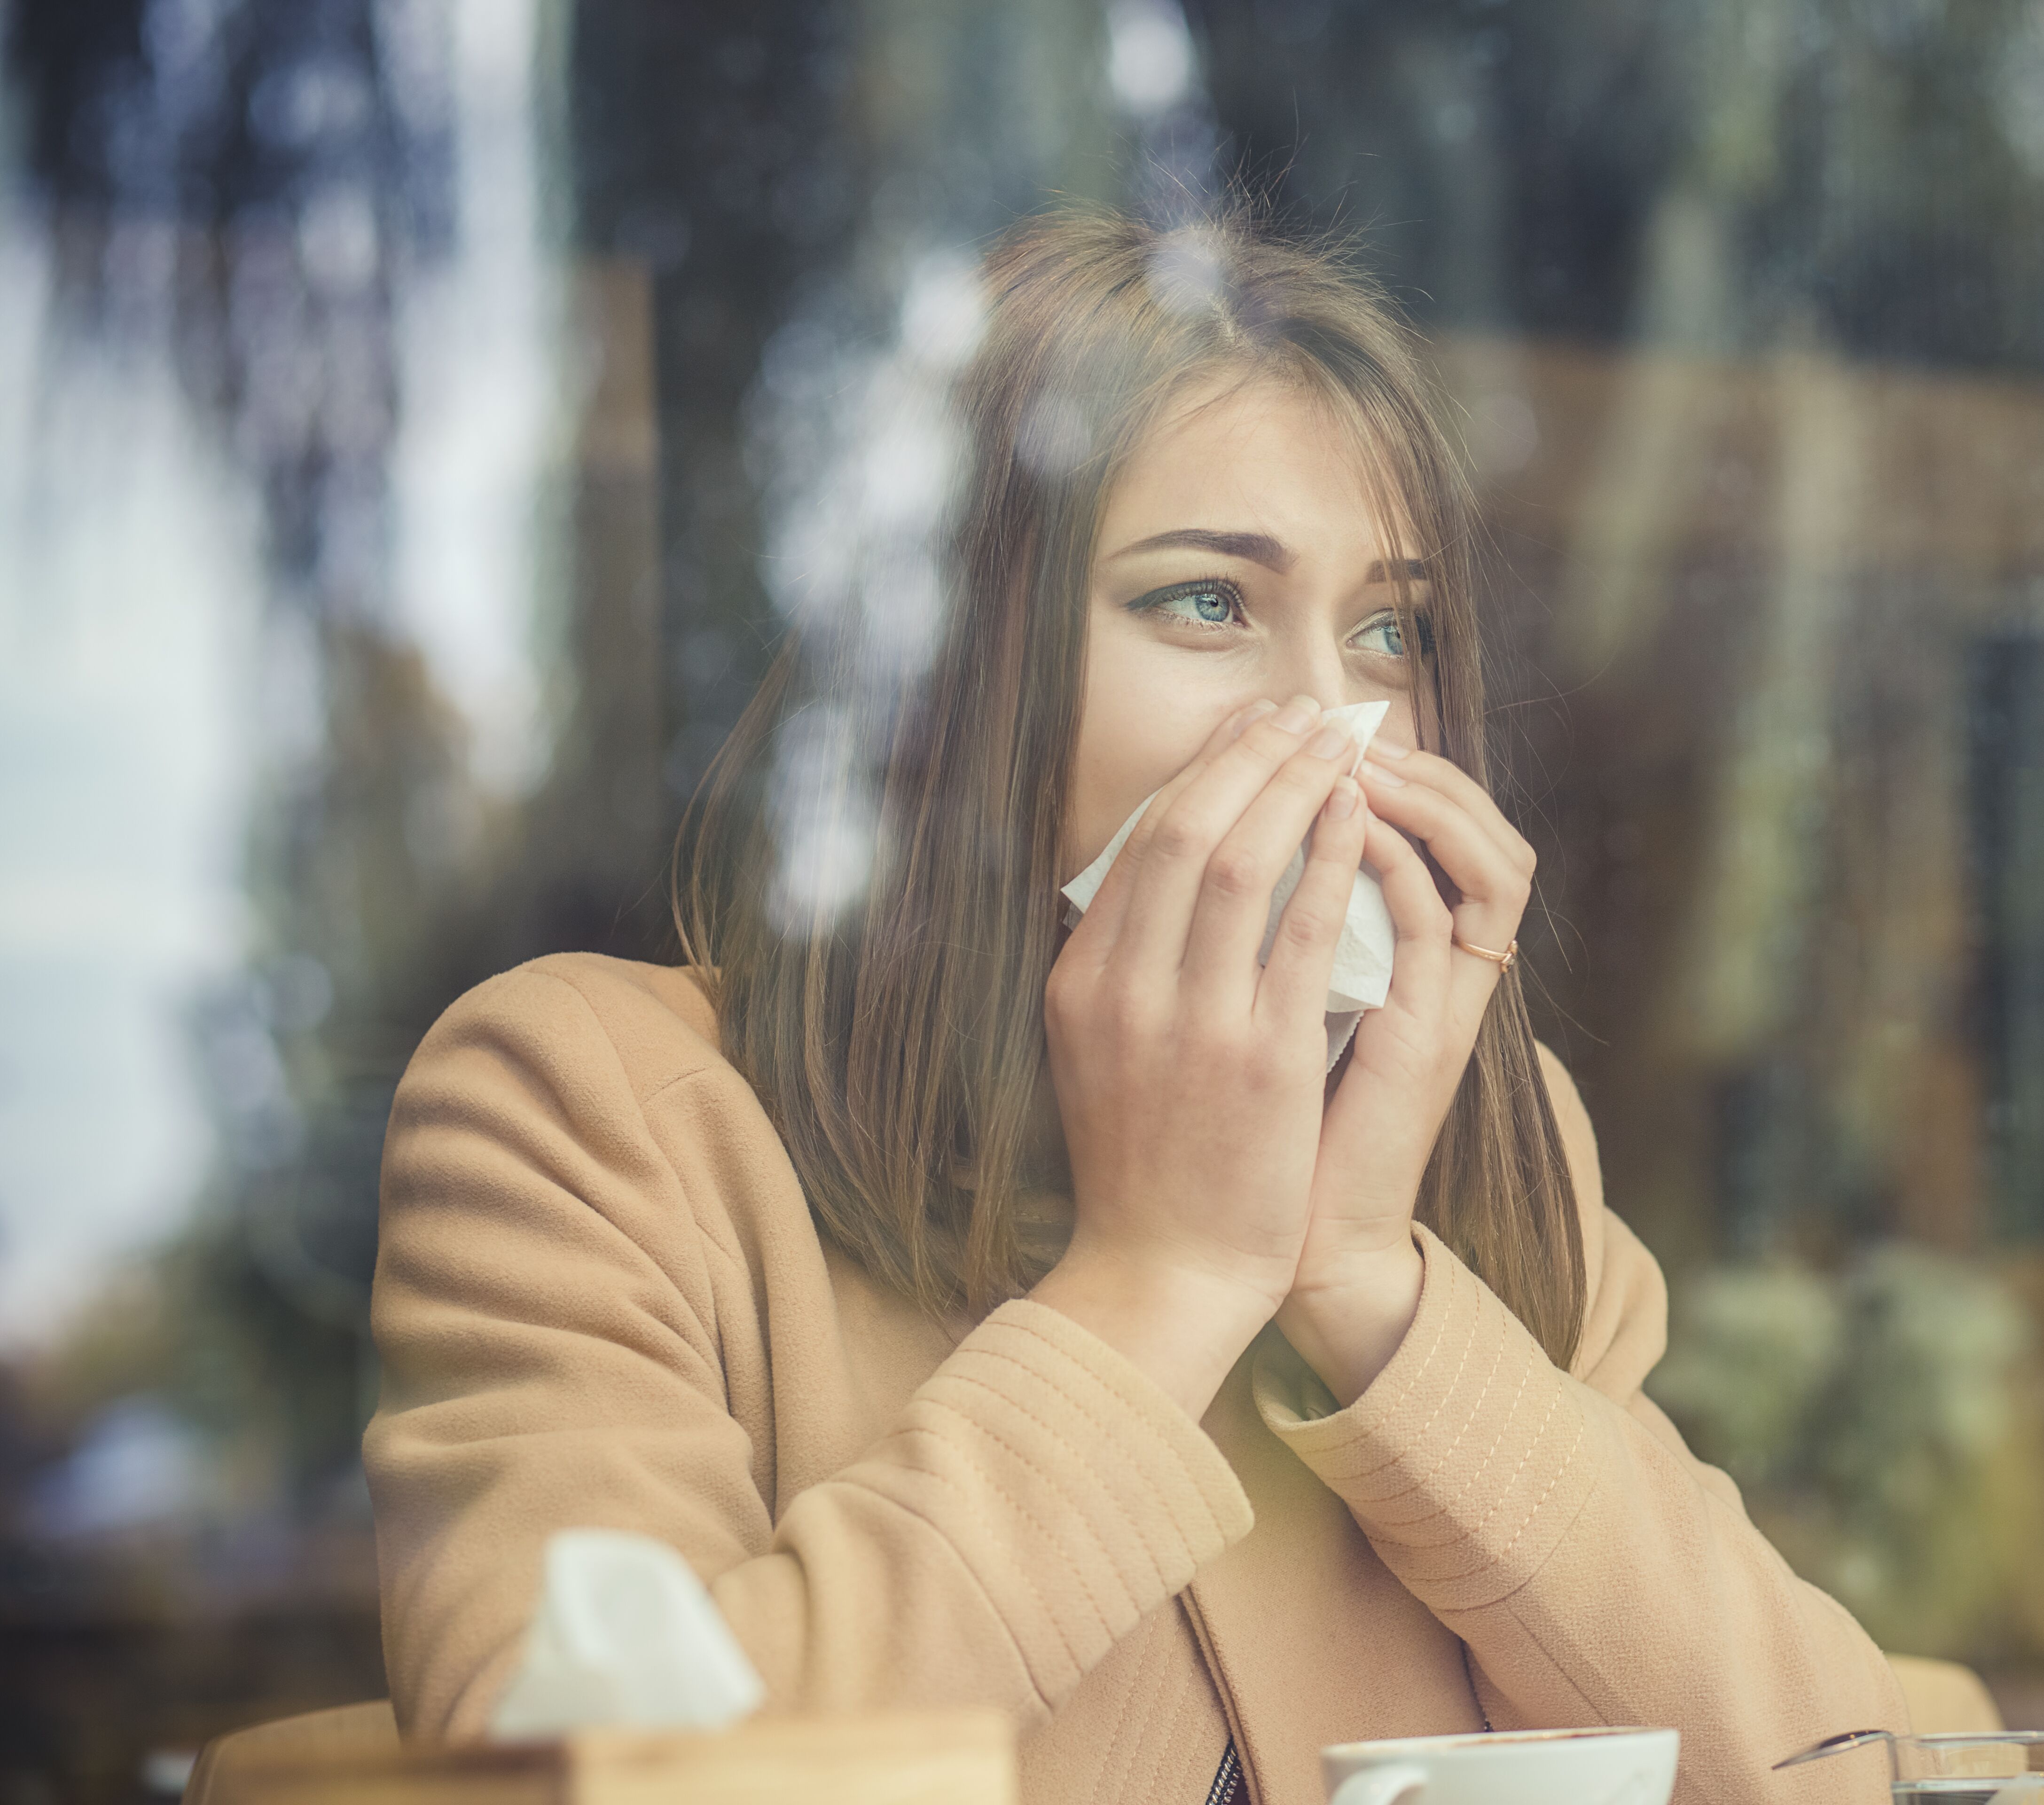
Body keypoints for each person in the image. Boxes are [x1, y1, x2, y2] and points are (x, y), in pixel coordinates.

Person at [363, 205, 1930, 1805]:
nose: (1337, 727)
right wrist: (1160, 1279)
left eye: (1391, 633)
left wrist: (1368, 1283)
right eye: (1206, 602)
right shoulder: (588, 1110)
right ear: (958, 682)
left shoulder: (1501, 1171)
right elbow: (580, 1782)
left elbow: (1845, 1772)